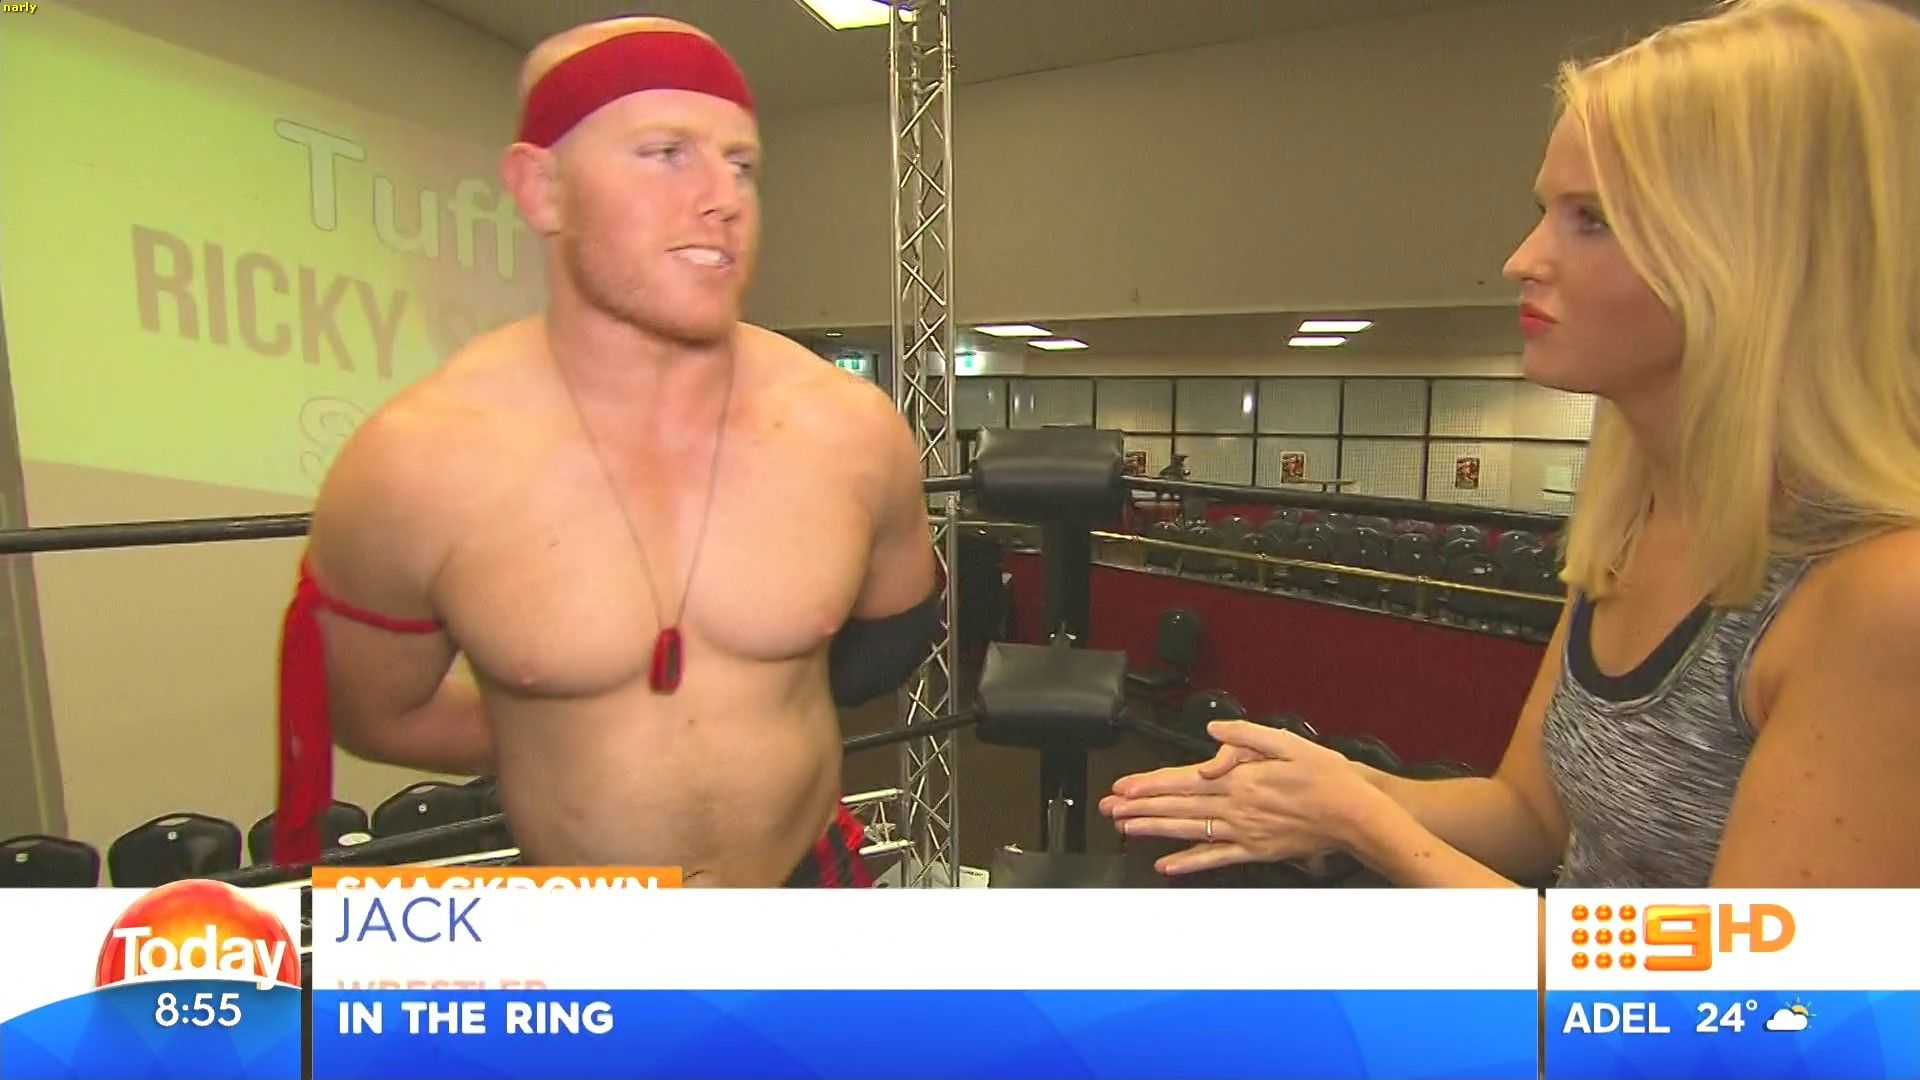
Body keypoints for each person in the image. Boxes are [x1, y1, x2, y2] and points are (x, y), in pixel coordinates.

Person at [1101, 0, 1920, 889]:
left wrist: (1366, 823)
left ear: (1750, 257)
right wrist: (1338, 789)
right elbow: (1530, 817)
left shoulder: (1881, 597)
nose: (1522, 259)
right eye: (1545, 211)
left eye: (1591, 219)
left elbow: (1728, 980)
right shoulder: (1631, 525)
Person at [271, 16, 939, 886]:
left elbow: (889, 639)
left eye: (742, 164)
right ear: (541, 188)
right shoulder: (414, 465)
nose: (724, 198)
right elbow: (378, 714)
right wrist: (560, 726)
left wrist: (771, 683)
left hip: (810, 889)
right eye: (665, 153)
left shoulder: (851, 429)